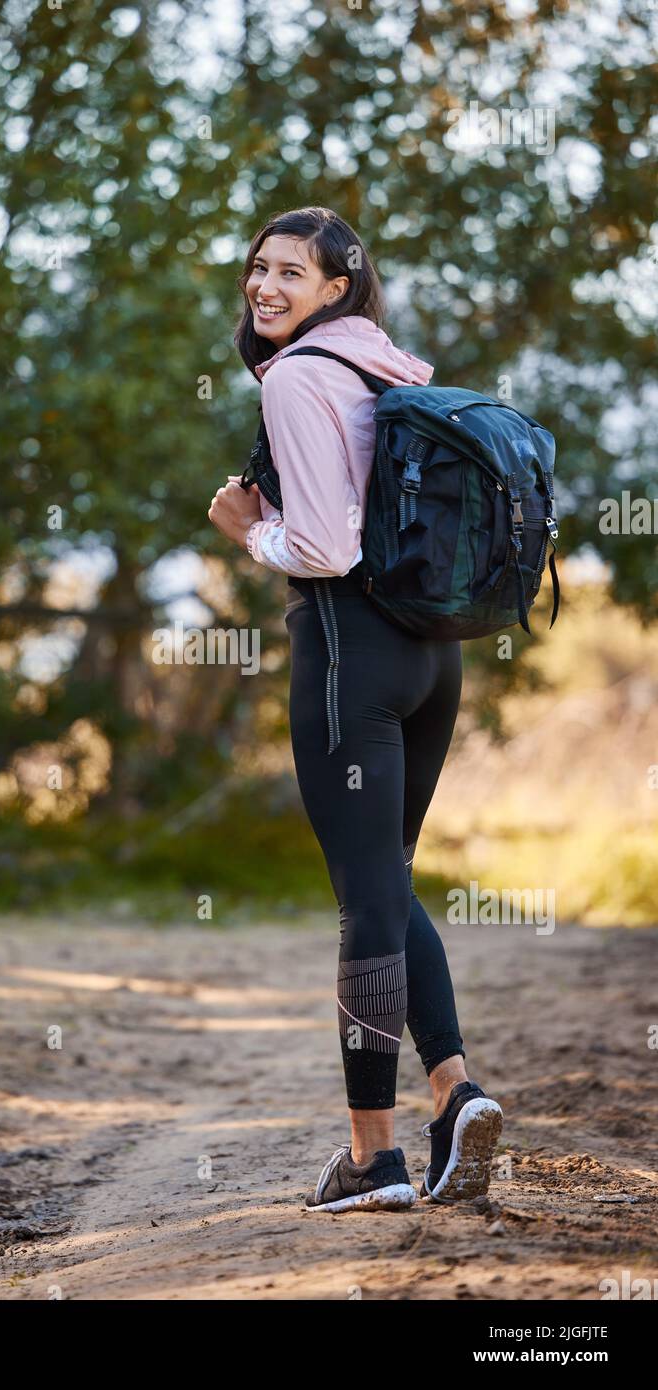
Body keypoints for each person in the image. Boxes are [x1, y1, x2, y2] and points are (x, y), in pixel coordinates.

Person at [208, 206, 503, 1213]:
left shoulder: (296, 375)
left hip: (349, 651)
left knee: (364, 897)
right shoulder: (395, 368)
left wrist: (249, 532)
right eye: (257, 268)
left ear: (335, 287)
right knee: (390, 881)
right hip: (433, 657)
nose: (263, 286)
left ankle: (374, 1160)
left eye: (290, 271)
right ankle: (455, 1095)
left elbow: (327, 547)